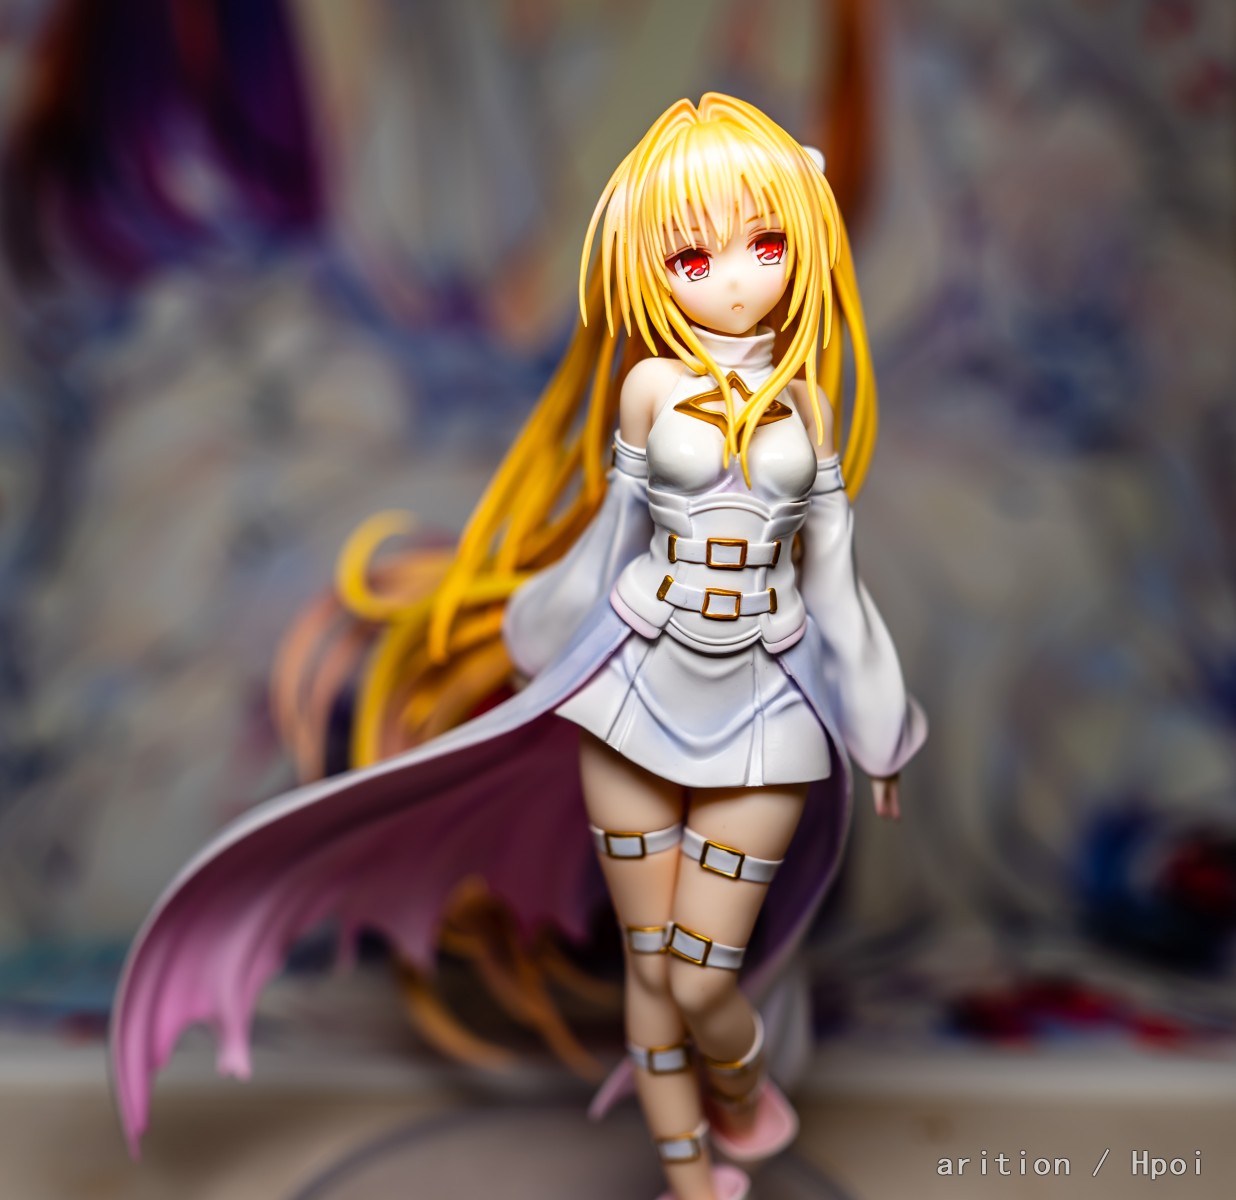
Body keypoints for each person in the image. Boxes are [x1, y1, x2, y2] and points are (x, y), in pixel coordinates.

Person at [111, 93, 926, 1200]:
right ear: (649, 264)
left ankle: (738, 1094)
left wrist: (878, 728)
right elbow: (610, 538)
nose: (736, 280)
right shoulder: (649, 390)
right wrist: (534, 650)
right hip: (637, 700)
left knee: (701, 978)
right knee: (653, 977)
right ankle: (693, 1179)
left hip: (764, 714)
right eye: (694, 257)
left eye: (766, 244)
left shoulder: (808, 414)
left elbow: (832, 579)